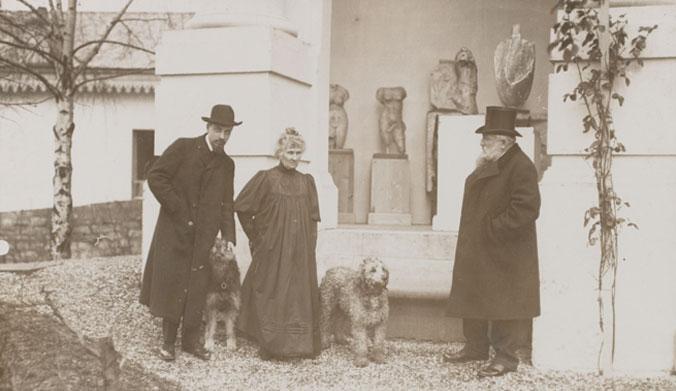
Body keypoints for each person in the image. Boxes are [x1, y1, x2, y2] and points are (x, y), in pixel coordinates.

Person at [443, 106, 540, 377]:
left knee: (503, 302)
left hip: (504, 250)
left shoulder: (521, 166)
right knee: (473, 295)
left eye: (487, 136)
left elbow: (526, 209)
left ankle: (506, 358)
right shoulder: (491, 162)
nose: (482, 141)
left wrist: (493, 229)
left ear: (504, 141)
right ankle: (475, 346)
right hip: (480, 246)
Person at [139, 104, 241, 361]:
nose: (222, 137)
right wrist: (178, 209)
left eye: (227, 132)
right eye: (218, 130)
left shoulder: (227, 165)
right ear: (208, 127)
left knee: (197, 288)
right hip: (175, 231)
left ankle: (190, 343)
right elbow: (156, 177)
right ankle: (168, 343)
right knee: (174, 286)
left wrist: (228, 236)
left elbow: (227, 203)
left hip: (205, 236)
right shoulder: (184, 148)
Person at [235, 127, 322, 360]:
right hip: (272, 247)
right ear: (279, 153)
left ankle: (299, 344)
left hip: (300, 249)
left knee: (298, 294)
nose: (294, 158)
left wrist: (309, 246)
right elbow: (242, 207)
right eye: (290, 152)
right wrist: (257, 237)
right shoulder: (266, 178)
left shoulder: (306, 182)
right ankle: (270, 343)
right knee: (272, 291)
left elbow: (313, 218)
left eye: (297, 153)